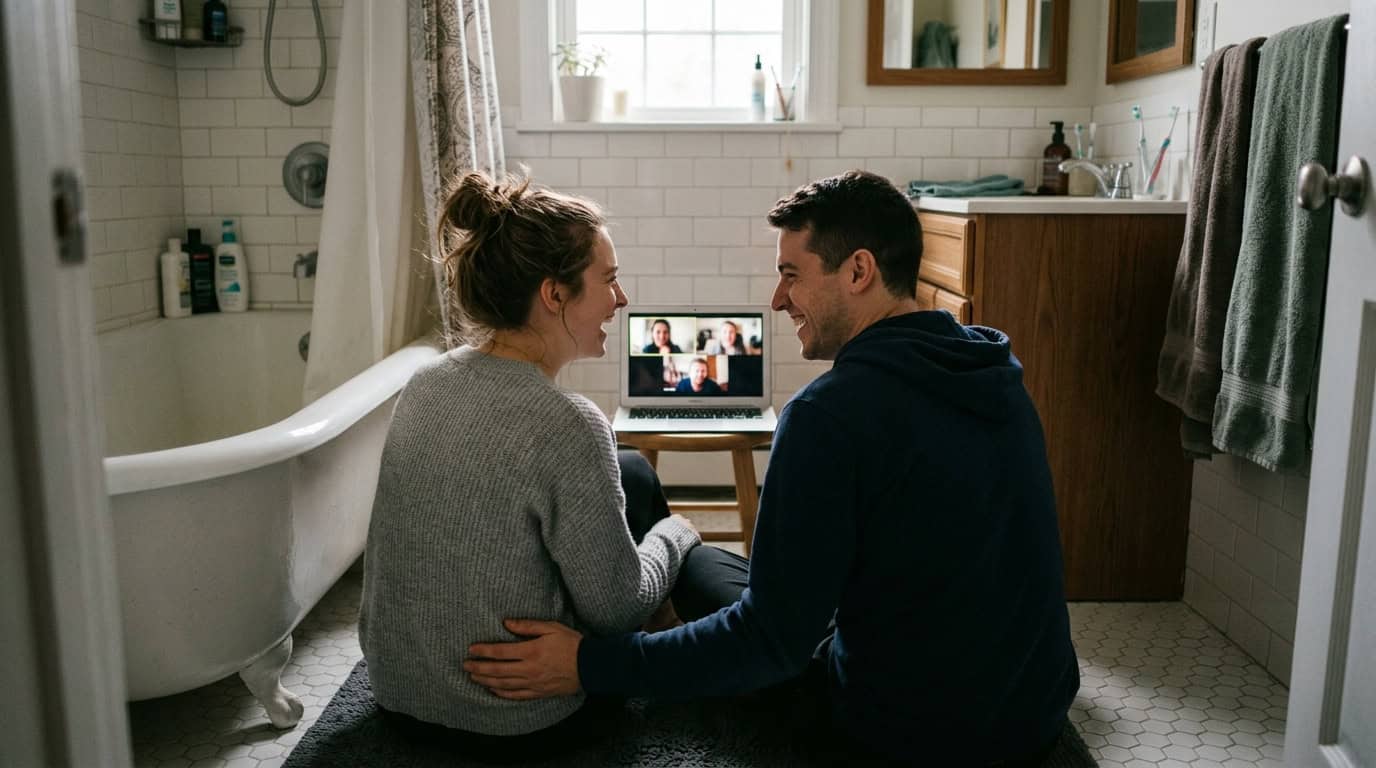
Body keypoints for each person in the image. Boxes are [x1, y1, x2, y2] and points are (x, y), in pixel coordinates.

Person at [464, 170, 1079, 766]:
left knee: (696, 567)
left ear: (858, 271)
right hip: (1034, 712)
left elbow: (770, 644)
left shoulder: (827, 415)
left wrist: (587, 665)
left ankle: (656, 617)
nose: (778, 298)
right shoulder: (991, 373)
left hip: (905, 735)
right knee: (699, 549)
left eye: (791, 274)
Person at [358, 170, 740, 763]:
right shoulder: (567, 423)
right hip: (515, 717)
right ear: (554, 294)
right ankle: (668, 641)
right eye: (608, 281)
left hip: (398, 692)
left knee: (631, 468)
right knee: (660, 532)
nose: (622, 299)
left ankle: (667, 620)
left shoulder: (427, 380)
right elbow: (615, 608)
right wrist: (679, 532)